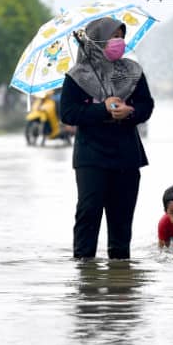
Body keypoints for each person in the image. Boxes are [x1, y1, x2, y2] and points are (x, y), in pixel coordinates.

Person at [60, 17, 154, 260]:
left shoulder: (132, 72)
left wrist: (130, 111)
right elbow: (68, 113)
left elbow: (146, 105)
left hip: (126, 156)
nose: (119, 41)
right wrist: (103, 108)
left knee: (122, 221)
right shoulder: (76, 77)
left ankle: (120, 280)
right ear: (98, 40)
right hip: (91, 157)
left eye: (122, 36)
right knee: (88, 215)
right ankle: (84, 273)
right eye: (114, 36)